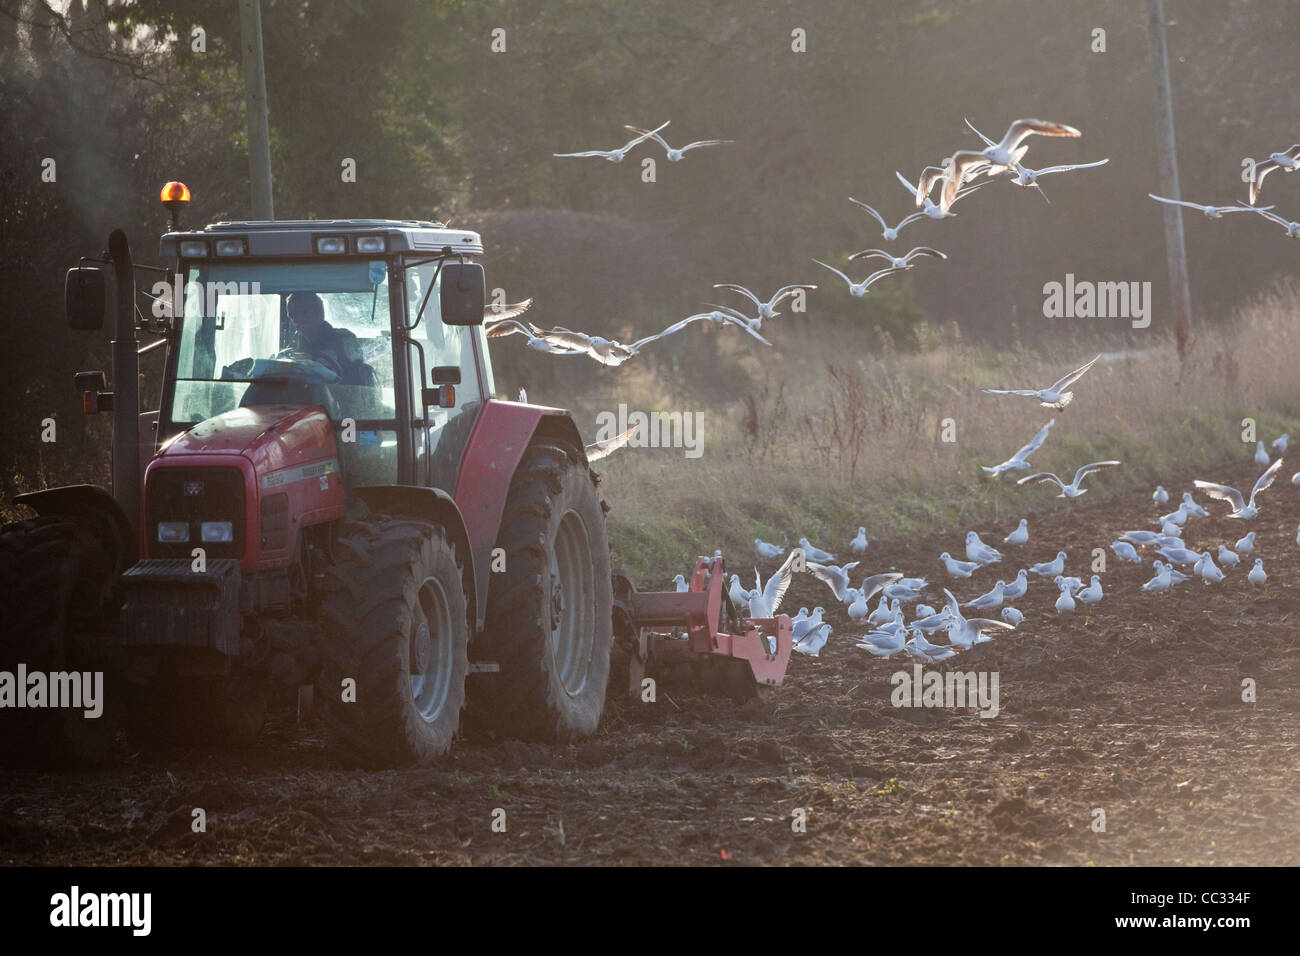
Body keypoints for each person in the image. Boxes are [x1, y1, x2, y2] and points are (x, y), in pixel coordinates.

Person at [285, 292, 377, 387]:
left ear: (319, 313)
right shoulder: (293, 345)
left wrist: (327, 370)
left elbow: (358, 379)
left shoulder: (344, 339)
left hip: (340, 396)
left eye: (303, 312)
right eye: (292, 315)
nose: (295, 320)